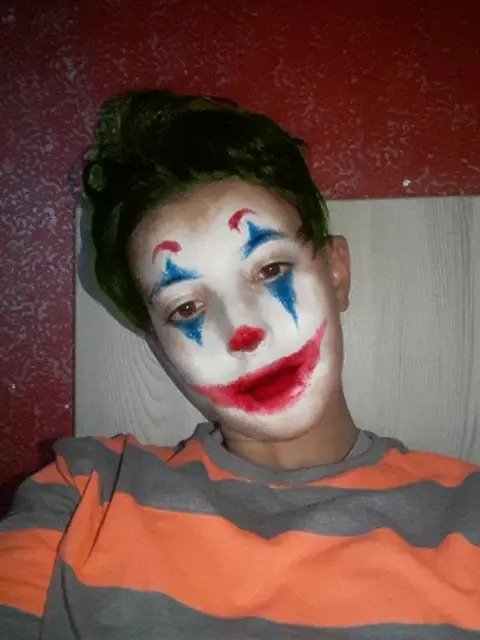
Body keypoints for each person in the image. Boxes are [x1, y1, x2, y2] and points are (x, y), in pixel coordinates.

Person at [0, 89, 479, 639]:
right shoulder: (84, 496)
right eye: (186, 308)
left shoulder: (471, 516)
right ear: (159, 343)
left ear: (336, 272)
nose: (243, 333)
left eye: (270, 270)